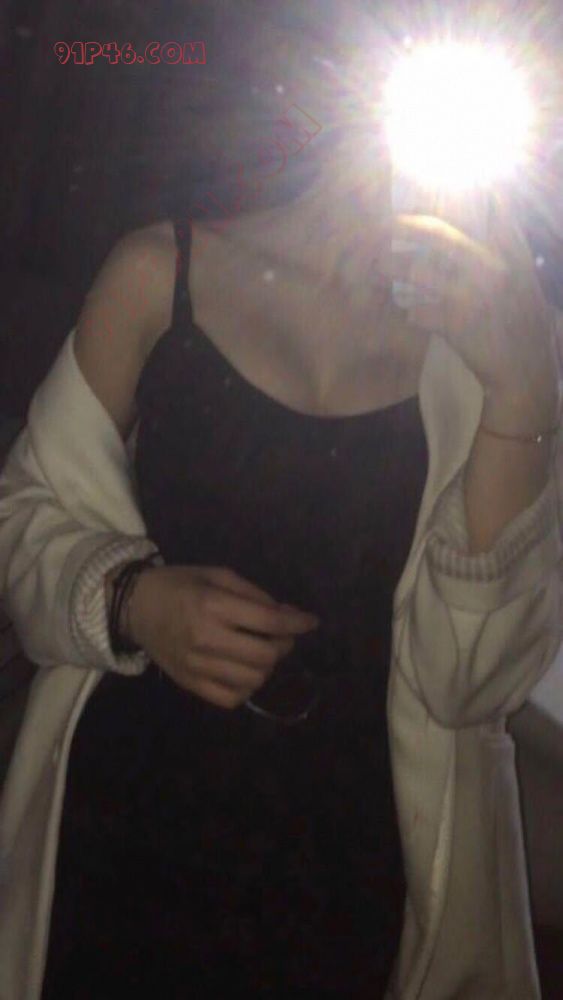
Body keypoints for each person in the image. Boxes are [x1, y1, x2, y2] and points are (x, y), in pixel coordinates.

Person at [0, 3, 561, 998]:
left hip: (353, 874)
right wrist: (130, 600)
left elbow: (469, 688)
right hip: (124, 835)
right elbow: (23, 519)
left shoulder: (505, 352)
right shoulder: (160, 270)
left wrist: (520, 389)